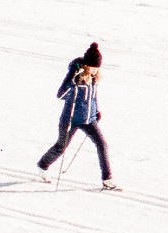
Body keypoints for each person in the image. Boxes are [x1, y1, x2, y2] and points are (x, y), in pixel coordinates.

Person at [38, 42, 115, 189]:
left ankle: (107, 179)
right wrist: (73, 83)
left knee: (102, 144)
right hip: (70, 119)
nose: (95, 70)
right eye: (93, 67)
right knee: (61, 147)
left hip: (88, 119)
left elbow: (93, 97)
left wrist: (95, 111)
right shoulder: (75, 75)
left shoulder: (94, 78)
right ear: (87, 65)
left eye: (98, 68)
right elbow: (60, 95)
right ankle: (42, 166)